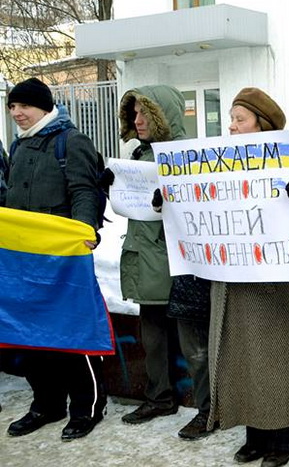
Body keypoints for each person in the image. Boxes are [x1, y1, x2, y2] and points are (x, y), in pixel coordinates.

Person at [209, 87, 289, 467]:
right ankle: (255, 435)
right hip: (234, 279)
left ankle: (283, 439)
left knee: (277, 361)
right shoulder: (220, 161)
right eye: (231, 119)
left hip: (275, 283)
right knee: (243, 357)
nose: (232, 127)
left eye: (240, 119)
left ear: (263, 123)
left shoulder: (285, 160)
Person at [2, 77, 106, 440]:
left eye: (24, 106)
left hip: (62, 259)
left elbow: (83, 190)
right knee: (31, 335)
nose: (17, 113)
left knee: (73, 334)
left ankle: (88, 407)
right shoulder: (18, 147)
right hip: (24, 260)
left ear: (44, 107)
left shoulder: (70, 141)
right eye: (13, 107)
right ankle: (45, 405)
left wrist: (83, 231)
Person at [113, 85, 212, 440]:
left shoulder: (186, 155)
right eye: (134, 113)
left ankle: (208, 409)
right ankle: (159, 396)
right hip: (148, 257)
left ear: (161, 115)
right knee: (152, 334)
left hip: (182, 262)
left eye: (144, 113)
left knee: (194, 343)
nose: (137, 120)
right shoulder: (139, 155)